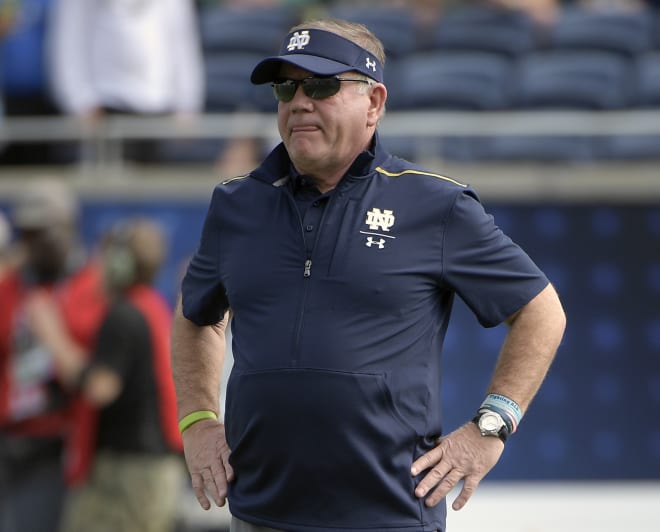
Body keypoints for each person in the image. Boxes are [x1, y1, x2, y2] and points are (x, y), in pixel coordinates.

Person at [171, 18, 566, 532]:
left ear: (374, 102)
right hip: (260, 514)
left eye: (320, 85)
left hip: (389, 516)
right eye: (285, 88)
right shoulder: (236, 204)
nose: (299, 102)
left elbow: (540, 310)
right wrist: (198, 420)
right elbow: (194, 315)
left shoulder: (435, 204)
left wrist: (491, 426)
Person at [26, 218, 185, 532]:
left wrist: (51, 335)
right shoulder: (150, 305)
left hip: (129, 471)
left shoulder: (123, 314)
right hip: (148, 468)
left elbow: (101, 387)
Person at [0, 178, 107, 532]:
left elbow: (100, 377)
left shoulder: (93, 286)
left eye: (40, 233)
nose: (31, 244)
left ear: (66, 229)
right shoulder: (12, 285)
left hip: (61, 443)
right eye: (26, 233)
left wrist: (53, 336)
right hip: (10, 437)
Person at [47, 0, 204, 163]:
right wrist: (80, 103)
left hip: (161, 109)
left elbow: (183, 41)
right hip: (105, 110)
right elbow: (69, 39)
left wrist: (187, 104)